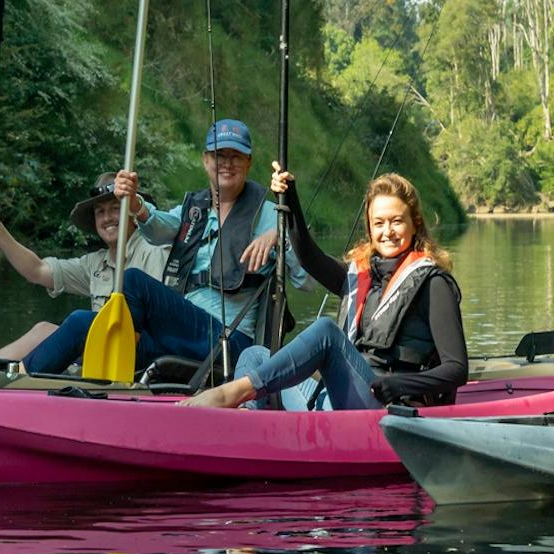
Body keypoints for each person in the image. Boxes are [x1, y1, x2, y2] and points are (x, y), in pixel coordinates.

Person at [23, 119, 301, 377]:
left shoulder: (270, 215)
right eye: (219, 155)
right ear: (206, 160)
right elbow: (160, 228)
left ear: (249, 163)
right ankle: (21, 380)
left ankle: (116, 374)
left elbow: (306, 279)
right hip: (184, 336)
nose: (227, 164)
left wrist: (280, 234)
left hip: (230, 344)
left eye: (236, 156)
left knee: (133, 280)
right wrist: (135, 205)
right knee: (80, 321)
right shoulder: (193, 211)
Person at [183, 166, 468, 410]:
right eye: (378, 223)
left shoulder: (433, 283)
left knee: (326, 332)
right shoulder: (359, 276)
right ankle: (247, 420)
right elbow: (309, 257)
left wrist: (400, 383)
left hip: (386, 407)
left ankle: (230, 393)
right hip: (336, 399)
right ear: (369, 229)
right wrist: (289, 199)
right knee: (255, 355)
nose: (387, 231)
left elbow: (456, 369)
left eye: (396, 221)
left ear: (414, 223)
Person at [0, 173, 170, 360]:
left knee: (56, 329)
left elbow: (160, 323)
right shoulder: (95, 264)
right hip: (100, 356)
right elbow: (37, 271)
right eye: (100, 212)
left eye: (115, 208)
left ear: (132, 213)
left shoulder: (153, 250)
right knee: (44, 330)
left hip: (136, 358)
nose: (107, 218)